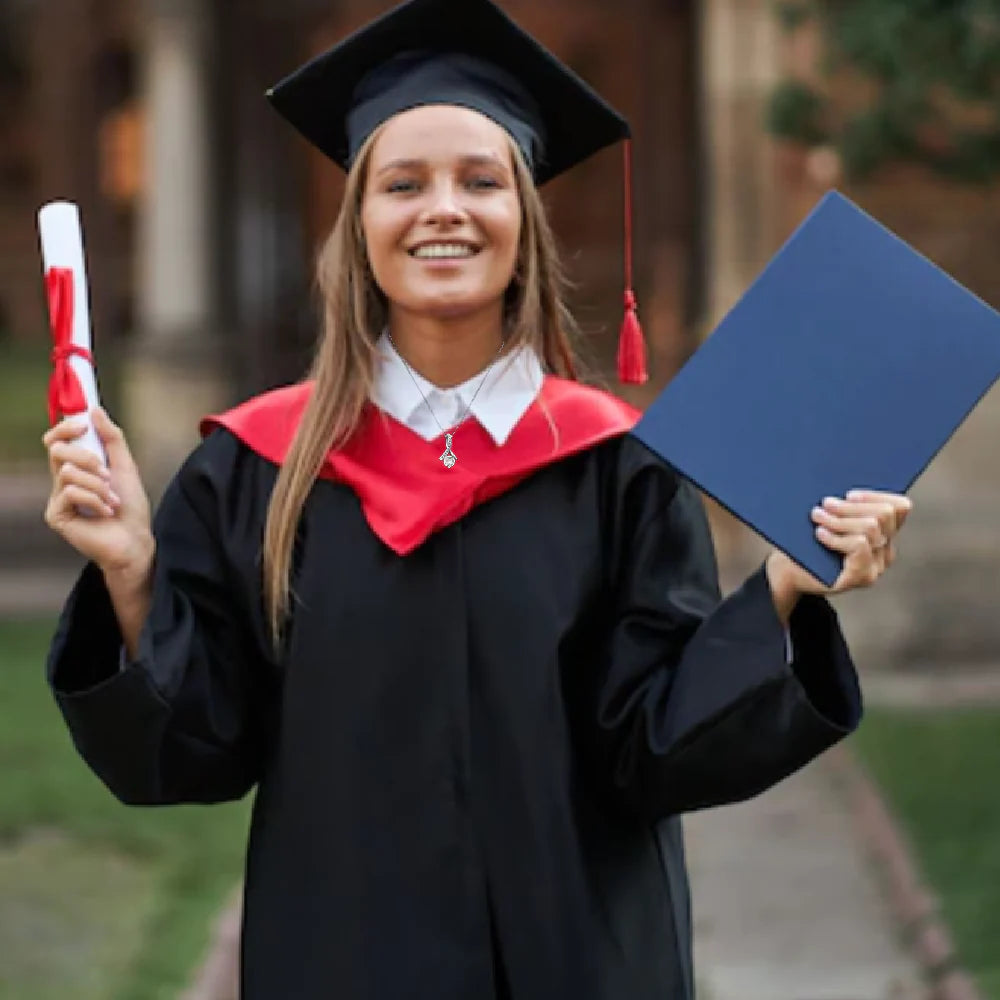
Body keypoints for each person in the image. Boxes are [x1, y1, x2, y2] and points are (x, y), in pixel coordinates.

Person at [41, 0, 912, 996]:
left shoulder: (615, 467)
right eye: (402, 183)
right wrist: (132, 573)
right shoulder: (254, 468)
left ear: (522, 221)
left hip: (577, 960)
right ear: (358, 223)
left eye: (480, 180)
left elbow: (656, 743)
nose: (442, 209)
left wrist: (782, 596)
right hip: (339, 962)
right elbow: (197, 745)